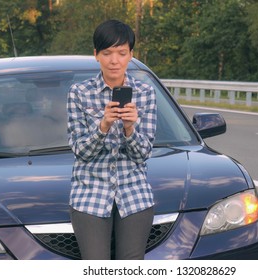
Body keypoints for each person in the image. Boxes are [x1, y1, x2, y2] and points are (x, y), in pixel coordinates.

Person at [67, 19, 157, 260]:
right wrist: (103, 126)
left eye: (121, 53)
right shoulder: (79, 93)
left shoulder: (146, 93)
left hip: (135, 193)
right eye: (107, 53)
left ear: (130, 55)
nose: (114, 60)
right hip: (89, 194)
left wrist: (129, 128)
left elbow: (143, 153)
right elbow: (80, 151)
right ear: (96, 55)